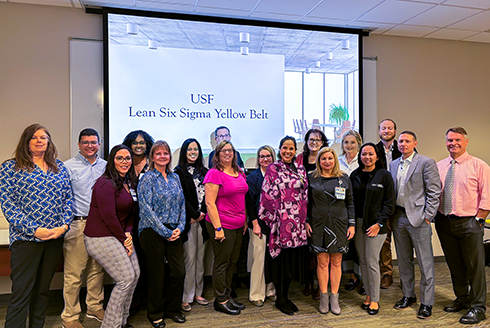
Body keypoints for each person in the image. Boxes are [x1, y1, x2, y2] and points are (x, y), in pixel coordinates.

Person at [0, 124, 73, 328]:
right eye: (34, 137)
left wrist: (64, 226)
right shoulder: (11, 167)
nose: (39, 140)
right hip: (26, 240)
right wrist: (34, 229)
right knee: (22, 292)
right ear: (26, 141)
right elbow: (8, 204)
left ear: (49, 141)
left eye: (43, 137)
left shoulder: (59, 167)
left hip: (53, 238)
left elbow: (69, 199)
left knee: (42, 291)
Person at [434, 127, 490, 325]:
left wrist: (479, 220)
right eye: (449, 140)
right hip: (444, 222)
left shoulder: (479, 165)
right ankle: (462, 299)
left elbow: (487, 196)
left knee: (474, 267)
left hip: (469, 222)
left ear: (466, 142)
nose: (453, 143)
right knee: (455, 264)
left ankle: (478, 307)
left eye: (457, 139)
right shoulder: (440, 166)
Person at [83, 144, 139, 328]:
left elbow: (131, 211)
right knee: (125, 279)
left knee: (135, 274)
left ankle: (121, 320)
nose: (124, 162)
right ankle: (110, 325)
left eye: (128, 158)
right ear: (112, 160)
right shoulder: (104, 183)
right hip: (100, 237)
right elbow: (109, 217)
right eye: (119, 158)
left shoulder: (129, 181)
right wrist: (125, 240)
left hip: (120, 235)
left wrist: (128, 234)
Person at [389, 131, 441, 319]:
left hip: (419, 219)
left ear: (415, 143)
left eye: (407, 141)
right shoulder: (394, 164)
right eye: (400, 141)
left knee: (425, 263)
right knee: (404, 261)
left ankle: (427, 303)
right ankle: (408, 295)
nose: (403, 144)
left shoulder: (426, 162)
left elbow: (434, 192)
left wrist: (427, 216)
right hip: (399, 217)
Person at [138, 141, 186, 327]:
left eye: (166, 153)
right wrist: (164, 231)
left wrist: (179, 228)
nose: (162, 156)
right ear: (152, 157)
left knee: (179, 272)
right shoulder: (147, 178)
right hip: (151, 230)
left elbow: (182, 204)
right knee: (156, 274)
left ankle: (173, 309)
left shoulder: (175, 178)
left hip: (174, 229)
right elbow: (146, 209)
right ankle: (155, 313)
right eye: (158, 153)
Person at [62, 128, 107, 328]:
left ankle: (94, 307)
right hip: (77, 223)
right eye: (85, 142)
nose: (90, 145)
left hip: (100, 225)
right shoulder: (67, 167)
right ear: (79, 144)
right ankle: (70, 316)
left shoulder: (106, 166)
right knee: (73, 274)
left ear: (99, 144)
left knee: (97, 270)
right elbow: (62, 198)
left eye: (93, 142)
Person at [259, 136, 308, 316]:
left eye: (291, 148)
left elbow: (305, 195)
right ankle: (280, 298)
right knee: (280, 262)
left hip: (297, 225)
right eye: (284, 148)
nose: (288, 151)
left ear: (295, 151)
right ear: (279, 149)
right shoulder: (273, 168)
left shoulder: (301, 169)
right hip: (280, 224)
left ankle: (286, 296)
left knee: (291, 262)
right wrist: (275, 220)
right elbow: (266, 195)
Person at [306, 147, 355, 315]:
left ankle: (334, 297)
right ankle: (323, 297)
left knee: (336, 262)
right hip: (318, 224)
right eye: (323, 158)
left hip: (339, 225)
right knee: (322, 262)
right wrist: (306, 221)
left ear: (335, 160)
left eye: (330, 158)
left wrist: (352, 224)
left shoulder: (344, 179)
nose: (327, 161)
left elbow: (350, 203)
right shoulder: (311, 178)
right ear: (319, 161)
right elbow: (306, 203)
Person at [350, 142, 395, 315]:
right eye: (364, 154)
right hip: (358, 224)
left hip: (376, 225)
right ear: (360, 156)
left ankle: (375, 300)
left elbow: (389, 204)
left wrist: (379, 224)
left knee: (372, 262)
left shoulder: (384, 175)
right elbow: (350, 201)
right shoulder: (354, 175)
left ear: (377, 156)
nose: (367, 157)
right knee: (362, 261)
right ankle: (368, 296)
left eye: (370, 154)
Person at [204, 140, 248, 315]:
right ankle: (220, 300)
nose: (227, 153)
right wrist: (218, 228)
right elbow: (209, 203)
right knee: (222, 263)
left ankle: (227, 297)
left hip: (238, 225)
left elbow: (241, 197)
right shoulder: (214, 174)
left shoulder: (239, 173)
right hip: (222, 225)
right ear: (217, 155)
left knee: (233, 262)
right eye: (223, 151)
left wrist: (244, 220)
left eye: (230, 150)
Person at [174, 138, 210, 312]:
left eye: (196, 149)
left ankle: (198, 292)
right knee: (189, 258)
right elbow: (180, 198)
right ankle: (186, 296)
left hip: (203, 222)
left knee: (200, 259)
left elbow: (210, 195)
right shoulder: (177, 172)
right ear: (184, 152)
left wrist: (202, 213)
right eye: (189, 149)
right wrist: (194, 214)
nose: (193, 152)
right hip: (189, 221)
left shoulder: (205, 171)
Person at [122, 129, 154, 310]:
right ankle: (132, 303)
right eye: (135, 142)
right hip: (127, 220)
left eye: (142, 142)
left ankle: (148, 301)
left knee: (148, 261)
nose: (139, 145)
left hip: (149, 221)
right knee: (130, 263)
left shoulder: (153, 164)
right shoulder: (123, 163)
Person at [295, 128, 329, 299]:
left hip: (321, 207)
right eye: (311, 139)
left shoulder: (327, 158)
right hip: (302, 207)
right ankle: (308, 282)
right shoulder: (299, 159)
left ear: (323, 142)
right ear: (306, 141)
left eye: (318, 139)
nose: (314, 142)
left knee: (321, 248)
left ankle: (321, 285)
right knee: (306, 249)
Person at [246, 145, 277, 307]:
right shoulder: (253, 177)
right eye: (262, 156)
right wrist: (255, 223)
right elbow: (250, 203)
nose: (265, 159)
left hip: (275, 225)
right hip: (258, 224)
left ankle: (270, 290)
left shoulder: (278, 175)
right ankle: (256, 294)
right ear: (258, 159)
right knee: (259, 258)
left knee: (272, 258)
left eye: (268, 156)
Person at [375, 119, 401, 289]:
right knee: (384, 240)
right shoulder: (373, 150)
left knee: (402, 240)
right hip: (382, 202)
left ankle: (406, 275)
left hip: (400, 202)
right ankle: (386, 273)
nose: (387, 130)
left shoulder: (404, 147)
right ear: (379, 131)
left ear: (395, 131)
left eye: (390, 128)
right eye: (383, 128)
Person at [338, 130, 363, 292]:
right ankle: (352, 277)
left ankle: (364, 279)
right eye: (346, 142)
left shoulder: (364, 159)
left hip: (360, 208)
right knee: (347, 246)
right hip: (342, 209)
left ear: (358, 143)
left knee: (361, 246)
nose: (349, 145)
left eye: (352, 142)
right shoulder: (337, 161)